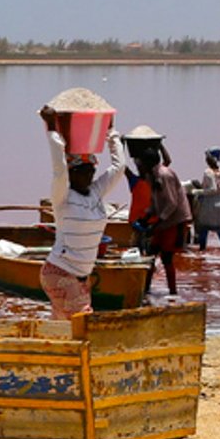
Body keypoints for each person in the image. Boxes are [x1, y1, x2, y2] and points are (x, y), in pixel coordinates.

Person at [37, 109, 128, 320]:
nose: (89, 175)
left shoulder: (95, 193)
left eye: (91, 170)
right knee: (84, 322)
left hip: (81, 276)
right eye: (82, 171)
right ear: (71, 173)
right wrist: (52, 128)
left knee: (63, 328)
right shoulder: (63, 196)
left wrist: (111, 131)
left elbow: (119, 166)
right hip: (60, 271)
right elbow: (58, 166)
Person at [133, 139, 190, 297]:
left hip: (175, 220)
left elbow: (172, 203)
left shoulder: (164, 175)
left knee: (166, 257)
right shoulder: (151, 176)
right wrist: (146, 217)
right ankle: (146, 290)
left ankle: (173, 294)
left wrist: (157, 222)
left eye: (140, 164)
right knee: (151, 254)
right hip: (163, 221)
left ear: (148, 163)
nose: (138, 167)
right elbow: (155, 201)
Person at [190, 147, 220, 250]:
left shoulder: (208, 172)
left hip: (209, 204)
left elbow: (211, 189)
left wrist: (197, 192)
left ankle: (202, 252)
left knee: (204, 229)